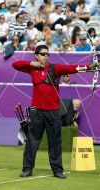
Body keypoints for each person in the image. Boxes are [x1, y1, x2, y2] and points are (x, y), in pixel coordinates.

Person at [12, 45, 97, 179]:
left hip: (53, 111)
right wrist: (32, 63)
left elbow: (72, 68)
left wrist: (90, 66)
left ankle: (57, 170)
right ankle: (27, 169)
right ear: (36, 55)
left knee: (55, 142)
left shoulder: (55, 68)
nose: (46, 56)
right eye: (43, 54)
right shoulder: (32, 68)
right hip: (37, 111)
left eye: (47, 54)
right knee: (32, 141)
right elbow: (15, 64)